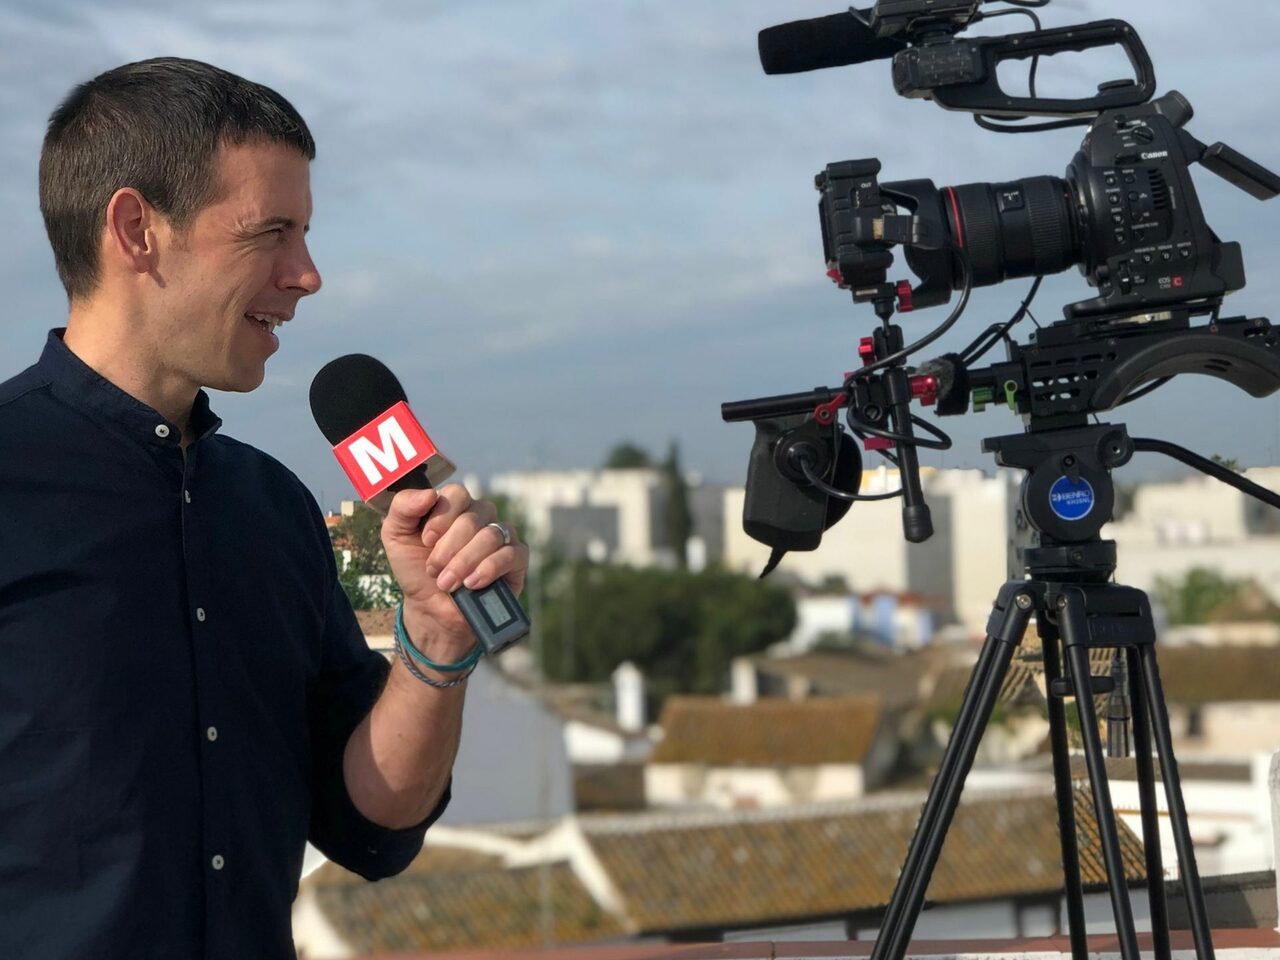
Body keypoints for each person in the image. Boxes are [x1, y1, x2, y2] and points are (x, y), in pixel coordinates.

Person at [0, 57, 528, 958]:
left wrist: (436, 645)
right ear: (136, 230)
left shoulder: (275, 507)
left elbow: (372, 826)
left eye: (305, 234)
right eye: (271, 232)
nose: (307, 275)